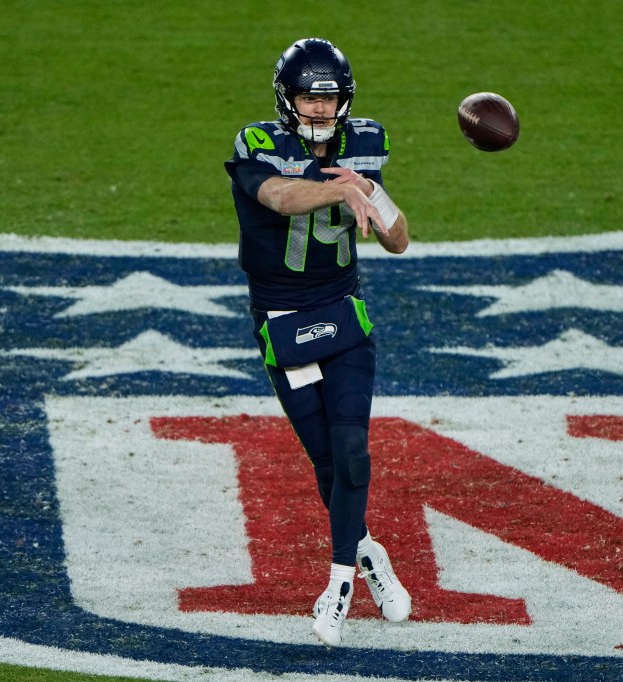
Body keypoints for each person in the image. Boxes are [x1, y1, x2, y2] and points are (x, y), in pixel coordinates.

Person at [223, 37, 412, 647]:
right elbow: (279, 196)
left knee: (354, 452)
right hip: (281, 316)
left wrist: (374, 195)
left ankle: (338, 585)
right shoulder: (259, 144)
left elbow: (399, 238)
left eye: (329, 99)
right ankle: (366, 554)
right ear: (287, 98)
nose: (320, 110)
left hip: (342, 305)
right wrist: (341, 189)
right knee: (328, 463)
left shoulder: (365, 142)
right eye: (309, 97)